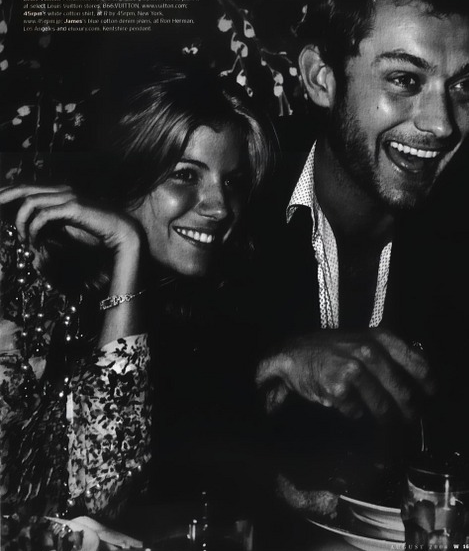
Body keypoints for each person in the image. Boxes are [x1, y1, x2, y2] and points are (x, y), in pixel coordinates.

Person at [252, 0, 469, 507]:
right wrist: (270, 369)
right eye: (405, 80)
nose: (441, 124)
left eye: (464, 86)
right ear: (321, 78)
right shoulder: (234, 207)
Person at [0, 62, 275, 519]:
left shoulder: (190, 309)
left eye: (232, 182)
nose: (220, 207)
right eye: (185, 175)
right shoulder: (19, 268)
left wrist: (125, 246)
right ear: (126, 171)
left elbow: (107, 492)